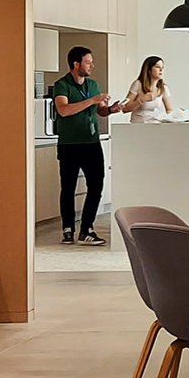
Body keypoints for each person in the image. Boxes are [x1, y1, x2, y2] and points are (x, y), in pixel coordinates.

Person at [49, 46, 118, 245]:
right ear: (76, 64)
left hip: (91, 143)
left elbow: (100, 111)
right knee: (68, 187)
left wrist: (111, 109)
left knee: (96, 186)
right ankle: (68, 229)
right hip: (69, 144)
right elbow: (63, 110)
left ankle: (87, 229)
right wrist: (92, 100)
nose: (92, 65)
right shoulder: (62, 85)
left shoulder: (93, 85)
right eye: (88, 62)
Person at [121, 56, 178, 123]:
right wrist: (142, 100)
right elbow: (125, 109)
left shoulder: (164, 88)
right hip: (138, 125)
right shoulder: (138, 84)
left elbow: (169, 110)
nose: (161, 70)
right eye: (157, 67)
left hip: (156, 125)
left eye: (162, 68)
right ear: (149, 70)